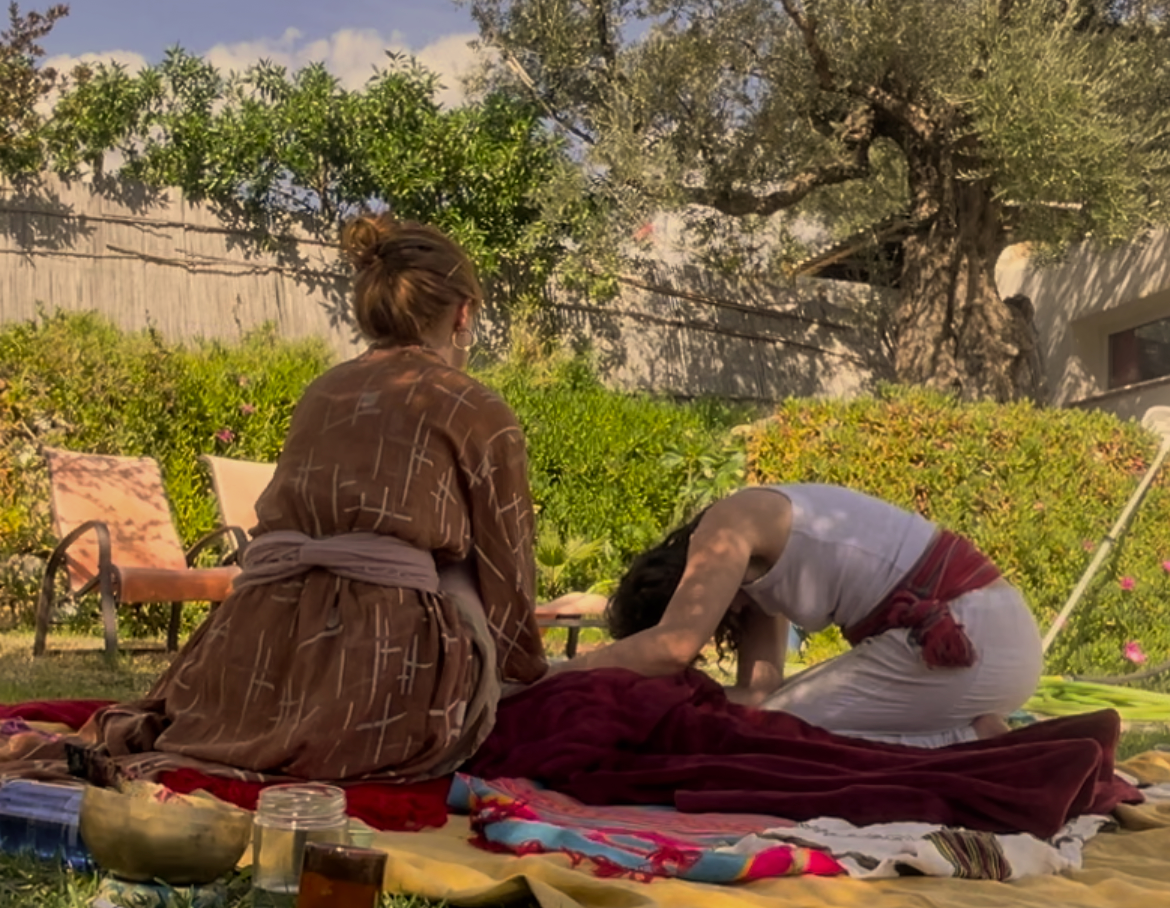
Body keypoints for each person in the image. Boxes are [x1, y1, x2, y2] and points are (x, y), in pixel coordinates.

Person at [97, 214, 547, 782]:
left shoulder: (322, 390)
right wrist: (520, 675)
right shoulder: (476, 407)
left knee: (424, 559)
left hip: (247, 644)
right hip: (378, 660)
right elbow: (508, 564)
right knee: (456, 568)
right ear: (463, 314)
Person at [556, 484, 1043, 747]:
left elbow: (674, 645)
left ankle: (963, 740)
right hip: (987, 637)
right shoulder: (759, 567)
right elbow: (758, 692)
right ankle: (966, 734)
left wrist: (557, 678)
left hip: (965, 634)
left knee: (770, 740)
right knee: (768, 718)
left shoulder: (727, 527)